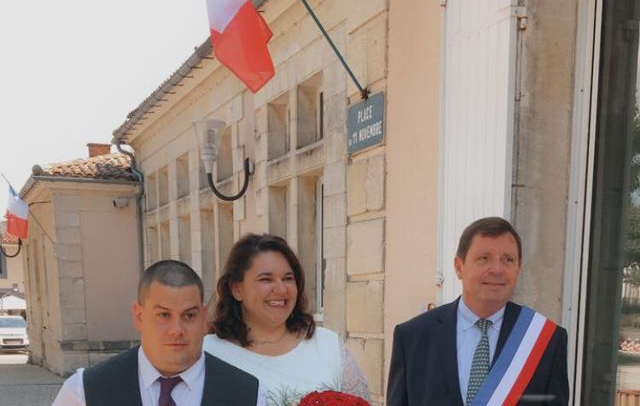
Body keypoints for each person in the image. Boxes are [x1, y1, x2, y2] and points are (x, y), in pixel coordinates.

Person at [387, 217, 569, 406]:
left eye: (508, 260)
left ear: (518, 269)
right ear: (459, 267)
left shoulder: (546, 341)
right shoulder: (413, 337)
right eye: (484, 258)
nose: (497, 269)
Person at [52, 260, 262, 406]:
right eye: (163, 315)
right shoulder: (85, 392)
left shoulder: (247, 394)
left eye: (189, 316)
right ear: (139, 316)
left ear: (203, 317)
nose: (176, 330)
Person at [203, 233, 370, 405]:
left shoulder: (327, 345)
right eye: (266, 279)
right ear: (236, 289)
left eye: (288, 279)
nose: (281, 289)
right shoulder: (209, 353)